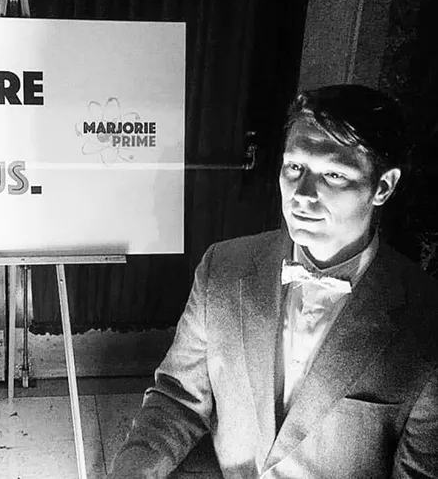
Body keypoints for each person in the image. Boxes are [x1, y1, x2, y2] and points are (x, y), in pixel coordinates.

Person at [109, 84, 438, 479]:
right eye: (294, 168)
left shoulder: (426, 318)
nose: (303, 194)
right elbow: (178, 399)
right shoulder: (224, 267)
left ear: (383, 186)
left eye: (334, 174)